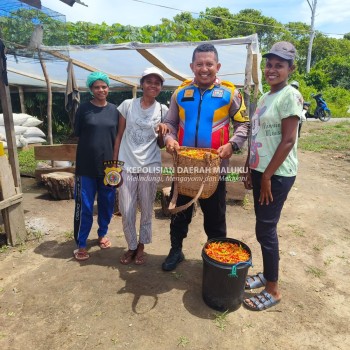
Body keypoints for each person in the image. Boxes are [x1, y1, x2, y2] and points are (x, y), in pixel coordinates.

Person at [162, 43, 249, 271]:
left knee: (215, 218)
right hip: (185, 168)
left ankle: (216, 260)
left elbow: (243, 124)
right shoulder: (180, 93)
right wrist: (169, 139)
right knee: (179, 213)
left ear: (217, 66)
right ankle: (175, 250)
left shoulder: (231, 93)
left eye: (209, 64)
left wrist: (233, 144)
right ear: (192, 66)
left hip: (214, 169)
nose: (204, 68)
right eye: (199, 64)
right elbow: (170, 123)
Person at [242, 41, 303, 310]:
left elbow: (289, 140)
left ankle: (274, 290)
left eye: (279, 65)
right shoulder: (266, 97)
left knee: (266, 229)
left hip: (276, 176)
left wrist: (266, 176)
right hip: (261, 171)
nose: (272, 69)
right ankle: (267, 275)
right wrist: (248, 166)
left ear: (290, 68)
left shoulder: (290, 95)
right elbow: (256, 135)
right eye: (269, 64)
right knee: (263, 226)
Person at [113, 67, 169, 265]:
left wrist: (163, 132)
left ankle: (142, 246)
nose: (153, 85)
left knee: (146, 208)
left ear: (161, 87)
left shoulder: (163, 110)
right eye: (149, 81)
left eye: (157, 82)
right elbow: (119, 135)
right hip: (127, 164)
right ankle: (131, 245)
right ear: (142, 83)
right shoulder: (128, 105)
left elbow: (161, 144)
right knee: (126, 209)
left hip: (150, 165)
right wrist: (114, 165)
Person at [73, 71, 118, 261]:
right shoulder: (83, 109)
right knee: (85, 205)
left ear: (108, 88)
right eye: (97, 87)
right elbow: (77, 133)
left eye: (104, 86)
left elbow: (118, 137)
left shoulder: (115, 110)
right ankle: (81, 243)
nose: (101, 90)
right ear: (91, 89)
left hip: (110, 166)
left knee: (107, 204)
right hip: (86, 166)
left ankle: (102, 234)